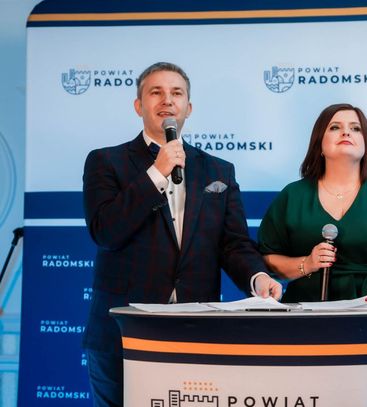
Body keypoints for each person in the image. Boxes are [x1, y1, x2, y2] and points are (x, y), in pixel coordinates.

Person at [82, 62, 282, 407]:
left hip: (195, 331)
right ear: (138, 105)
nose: (167, 100)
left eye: (176, 93)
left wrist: (257, 277)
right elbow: (106, 232)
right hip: (123, 333)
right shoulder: (106, 161)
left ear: (188, 107)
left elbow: (233, 243)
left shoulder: (218, 170)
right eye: (155, 92)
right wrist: (156, 173)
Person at [258, 103, 367, 305]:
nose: (346, 132)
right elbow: (266, 258)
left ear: (366, 145)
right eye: (335, 127)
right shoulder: (292, 195)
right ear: (319, 143)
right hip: (306, 311)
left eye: (356, 128)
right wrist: (306, 264)